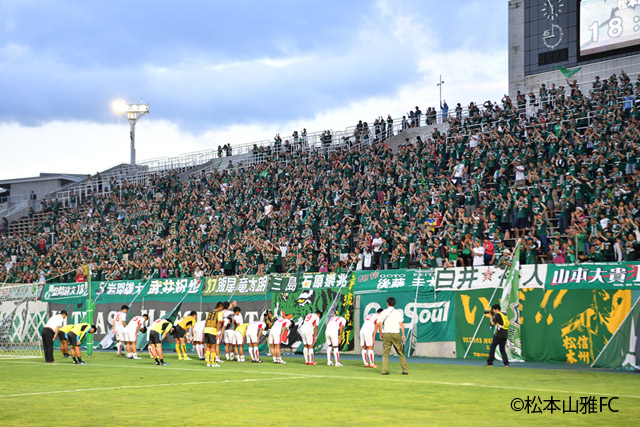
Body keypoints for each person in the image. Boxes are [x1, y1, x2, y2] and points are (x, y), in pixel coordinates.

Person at [378, 297, 408, 375]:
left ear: (387, 303)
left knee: (385, 353)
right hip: (396, 333)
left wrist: (381, 333)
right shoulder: (398, 312)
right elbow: (401, 324)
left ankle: (384, 370)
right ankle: (405, 370)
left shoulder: (383, 312)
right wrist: (403, 335)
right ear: (394, 303)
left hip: (387, 333)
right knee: (400, 352)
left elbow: (380, 324)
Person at [204, 303, 223, 367]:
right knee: (213, 347)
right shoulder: (219, 313)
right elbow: (219, 322)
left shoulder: (210, 312)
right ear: (220, 307)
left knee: (208, 346)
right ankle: (214, 363)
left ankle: (208, 363)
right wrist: (217, 332)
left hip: (206, 329)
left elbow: (206, 321)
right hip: (212, 330)